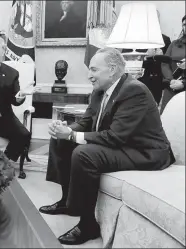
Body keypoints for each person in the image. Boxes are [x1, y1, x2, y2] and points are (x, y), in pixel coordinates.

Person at [40, 47, 175, 245]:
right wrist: (65, 129)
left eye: (94, 70)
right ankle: (65, 201)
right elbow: (85, 122)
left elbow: (115, 137)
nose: (89, 76)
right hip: (122, 144)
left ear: (111, 70)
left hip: (145, 152)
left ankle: (87, 225)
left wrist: (72, 135)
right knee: (61, 139)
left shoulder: (134, 90)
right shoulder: (99, 91)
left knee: (84, 153)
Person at [122, 10, 172, 104]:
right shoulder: (132, 39)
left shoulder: (165, 39)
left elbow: (169, 63)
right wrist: (145, 57)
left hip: (158, 84)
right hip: (138, 82)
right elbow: (126, 62)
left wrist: (162, 57)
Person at [160, 15, 186, 113]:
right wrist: (171, 80)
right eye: (184, 24)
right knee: (166, 118)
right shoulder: (174, 44)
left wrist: (183, 84)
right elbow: (165, 63)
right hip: (171, 87)